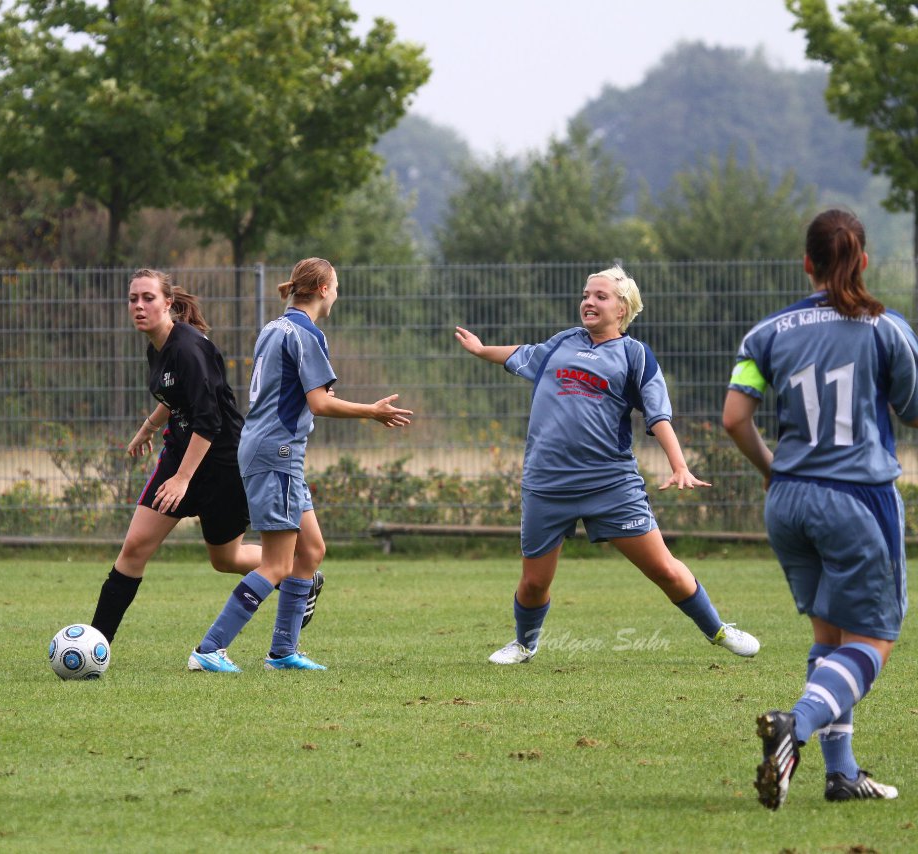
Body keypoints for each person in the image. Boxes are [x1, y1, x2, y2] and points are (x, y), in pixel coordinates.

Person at [454, 265, 760, 667]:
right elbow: (521, 353)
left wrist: (679, 465)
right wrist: (481, 351)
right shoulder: (563, 342)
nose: (589, 301)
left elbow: (658, 415)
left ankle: (717, 630)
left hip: (610, 485)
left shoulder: (635, 355)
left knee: (665, 571)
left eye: (601, 296)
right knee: (533, 582)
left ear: (622, 308)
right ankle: (525, 644)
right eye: (586, 295)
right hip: (547, 484)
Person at [723, 209, 916, 810]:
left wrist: (772, 471)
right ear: (863, 261)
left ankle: (843, 773)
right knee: (874, 637)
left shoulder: (766, 333)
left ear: (807, 263)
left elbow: (734, 418)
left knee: (830, 635)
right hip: (856, 498)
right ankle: (795, 726)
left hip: (788, 501)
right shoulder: (886, 328)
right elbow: (913, 411)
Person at [187, 258, 412, 672]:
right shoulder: (308, 333)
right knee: (277, 564)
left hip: (269, 449)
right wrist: (372, 411)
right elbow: (319, 402)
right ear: (324, 289)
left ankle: (283, 651)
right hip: (278, 453)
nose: (337, 293)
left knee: (310, 551)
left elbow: (288, 393)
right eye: (336, 286)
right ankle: (209, 648)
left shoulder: (274, 327)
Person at [89, 269, 324, 645]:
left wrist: (183, 479)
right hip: (180, 457)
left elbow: (209, 421)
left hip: (220, 464)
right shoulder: (158, 347)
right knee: (135, 548)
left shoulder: (189, 348)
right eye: (133, 299)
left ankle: (298, 574)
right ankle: (95, 644)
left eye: (148, 298)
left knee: (226, 559)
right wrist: (149, 427)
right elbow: (175, 396)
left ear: (167, 303)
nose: (138, 306)